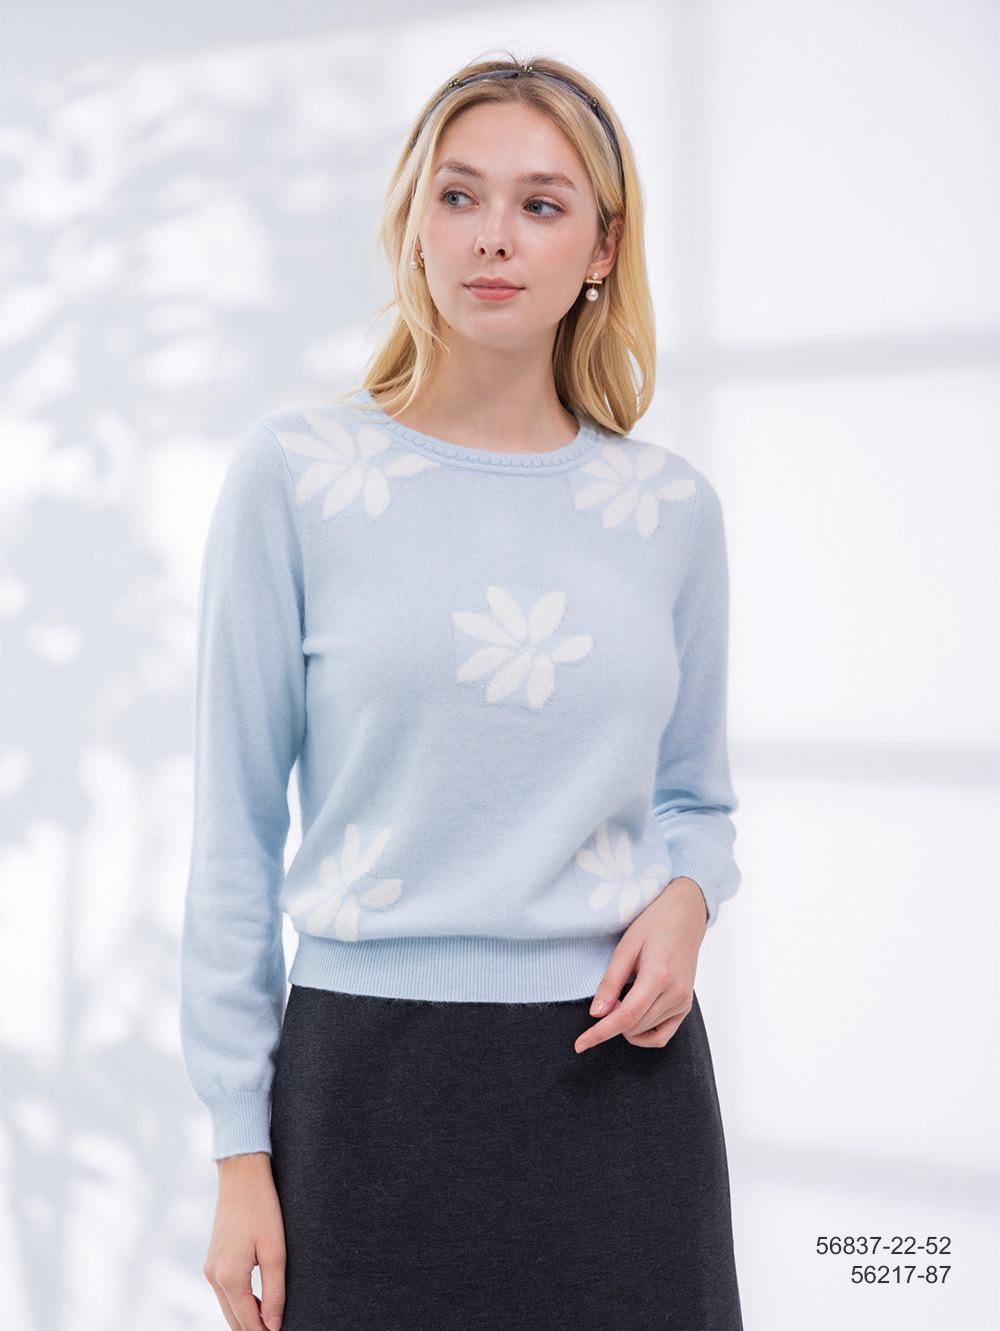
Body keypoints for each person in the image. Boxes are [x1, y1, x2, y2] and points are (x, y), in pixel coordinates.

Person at [180, 53, 743, 1331]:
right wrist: (237, 1149)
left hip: (621, 1091)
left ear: (602, 248)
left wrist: (689, 898)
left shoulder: (666, 511)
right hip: (364, 1083)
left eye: (541, 205)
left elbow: (697, 800)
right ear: (413, 223)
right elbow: (232, 835)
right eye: (459, 195)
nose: (493, 236)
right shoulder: (297, 475)